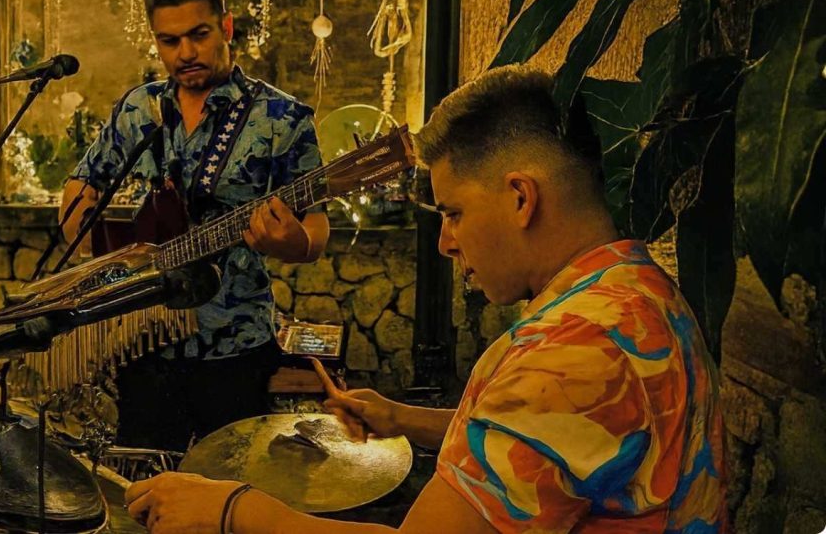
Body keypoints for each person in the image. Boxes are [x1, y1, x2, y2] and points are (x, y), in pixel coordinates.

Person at [123, 65, 727, 533]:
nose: (445, 242)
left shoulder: (573, 353)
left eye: (454, 213)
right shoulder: (636, 289)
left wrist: (234, 511)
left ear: (521, 198)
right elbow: (555, 441)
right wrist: (403, 419)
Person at [60, 0, 330, 450]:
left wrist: (293, 243)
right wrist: (97, 256)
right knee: (144, 481)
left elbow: (316, 228)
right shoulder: (137, 110)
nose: (185, 53)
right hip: (144, 345)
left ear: (226, 26)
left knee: (229, 484)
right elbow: (83, 184)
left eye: (198, 35)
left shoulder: (282, 118)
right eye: (169, 41)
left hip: (235, 346)